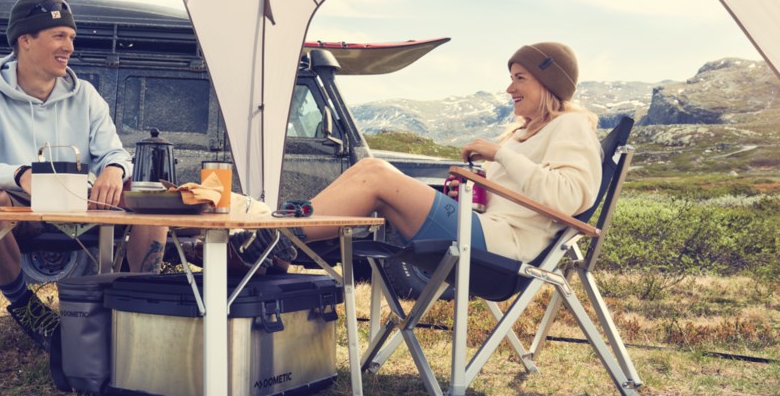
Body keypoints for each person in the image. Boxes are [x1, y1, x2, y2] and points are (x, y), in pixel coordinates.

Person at [233, 41, 601, 266]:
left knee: (375, 171)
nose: (509, 88)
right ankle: (280, 239)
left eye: (520, 77)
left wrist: (499, 156)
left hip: (504, 248)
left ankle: (283, 234)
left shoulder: (570, 125)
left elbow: (566, 197)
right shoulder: (525, 133)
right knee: (372, 179)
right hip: (488, 232)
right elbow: (520, 196)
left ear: (548, 83)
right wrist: (476, 194)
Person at [0, 0, 167, 352]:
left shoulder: (85, 96)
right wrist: (20, 175)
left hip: (81, 208)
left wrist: (114, 167)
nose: (70, 46)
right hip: (22, 212)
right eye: (59, 36)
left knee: (150, 197)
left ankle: (135, 305)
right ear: (25, 40)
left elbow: (113, 151)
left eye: (71, 36)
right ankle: (27, 308)